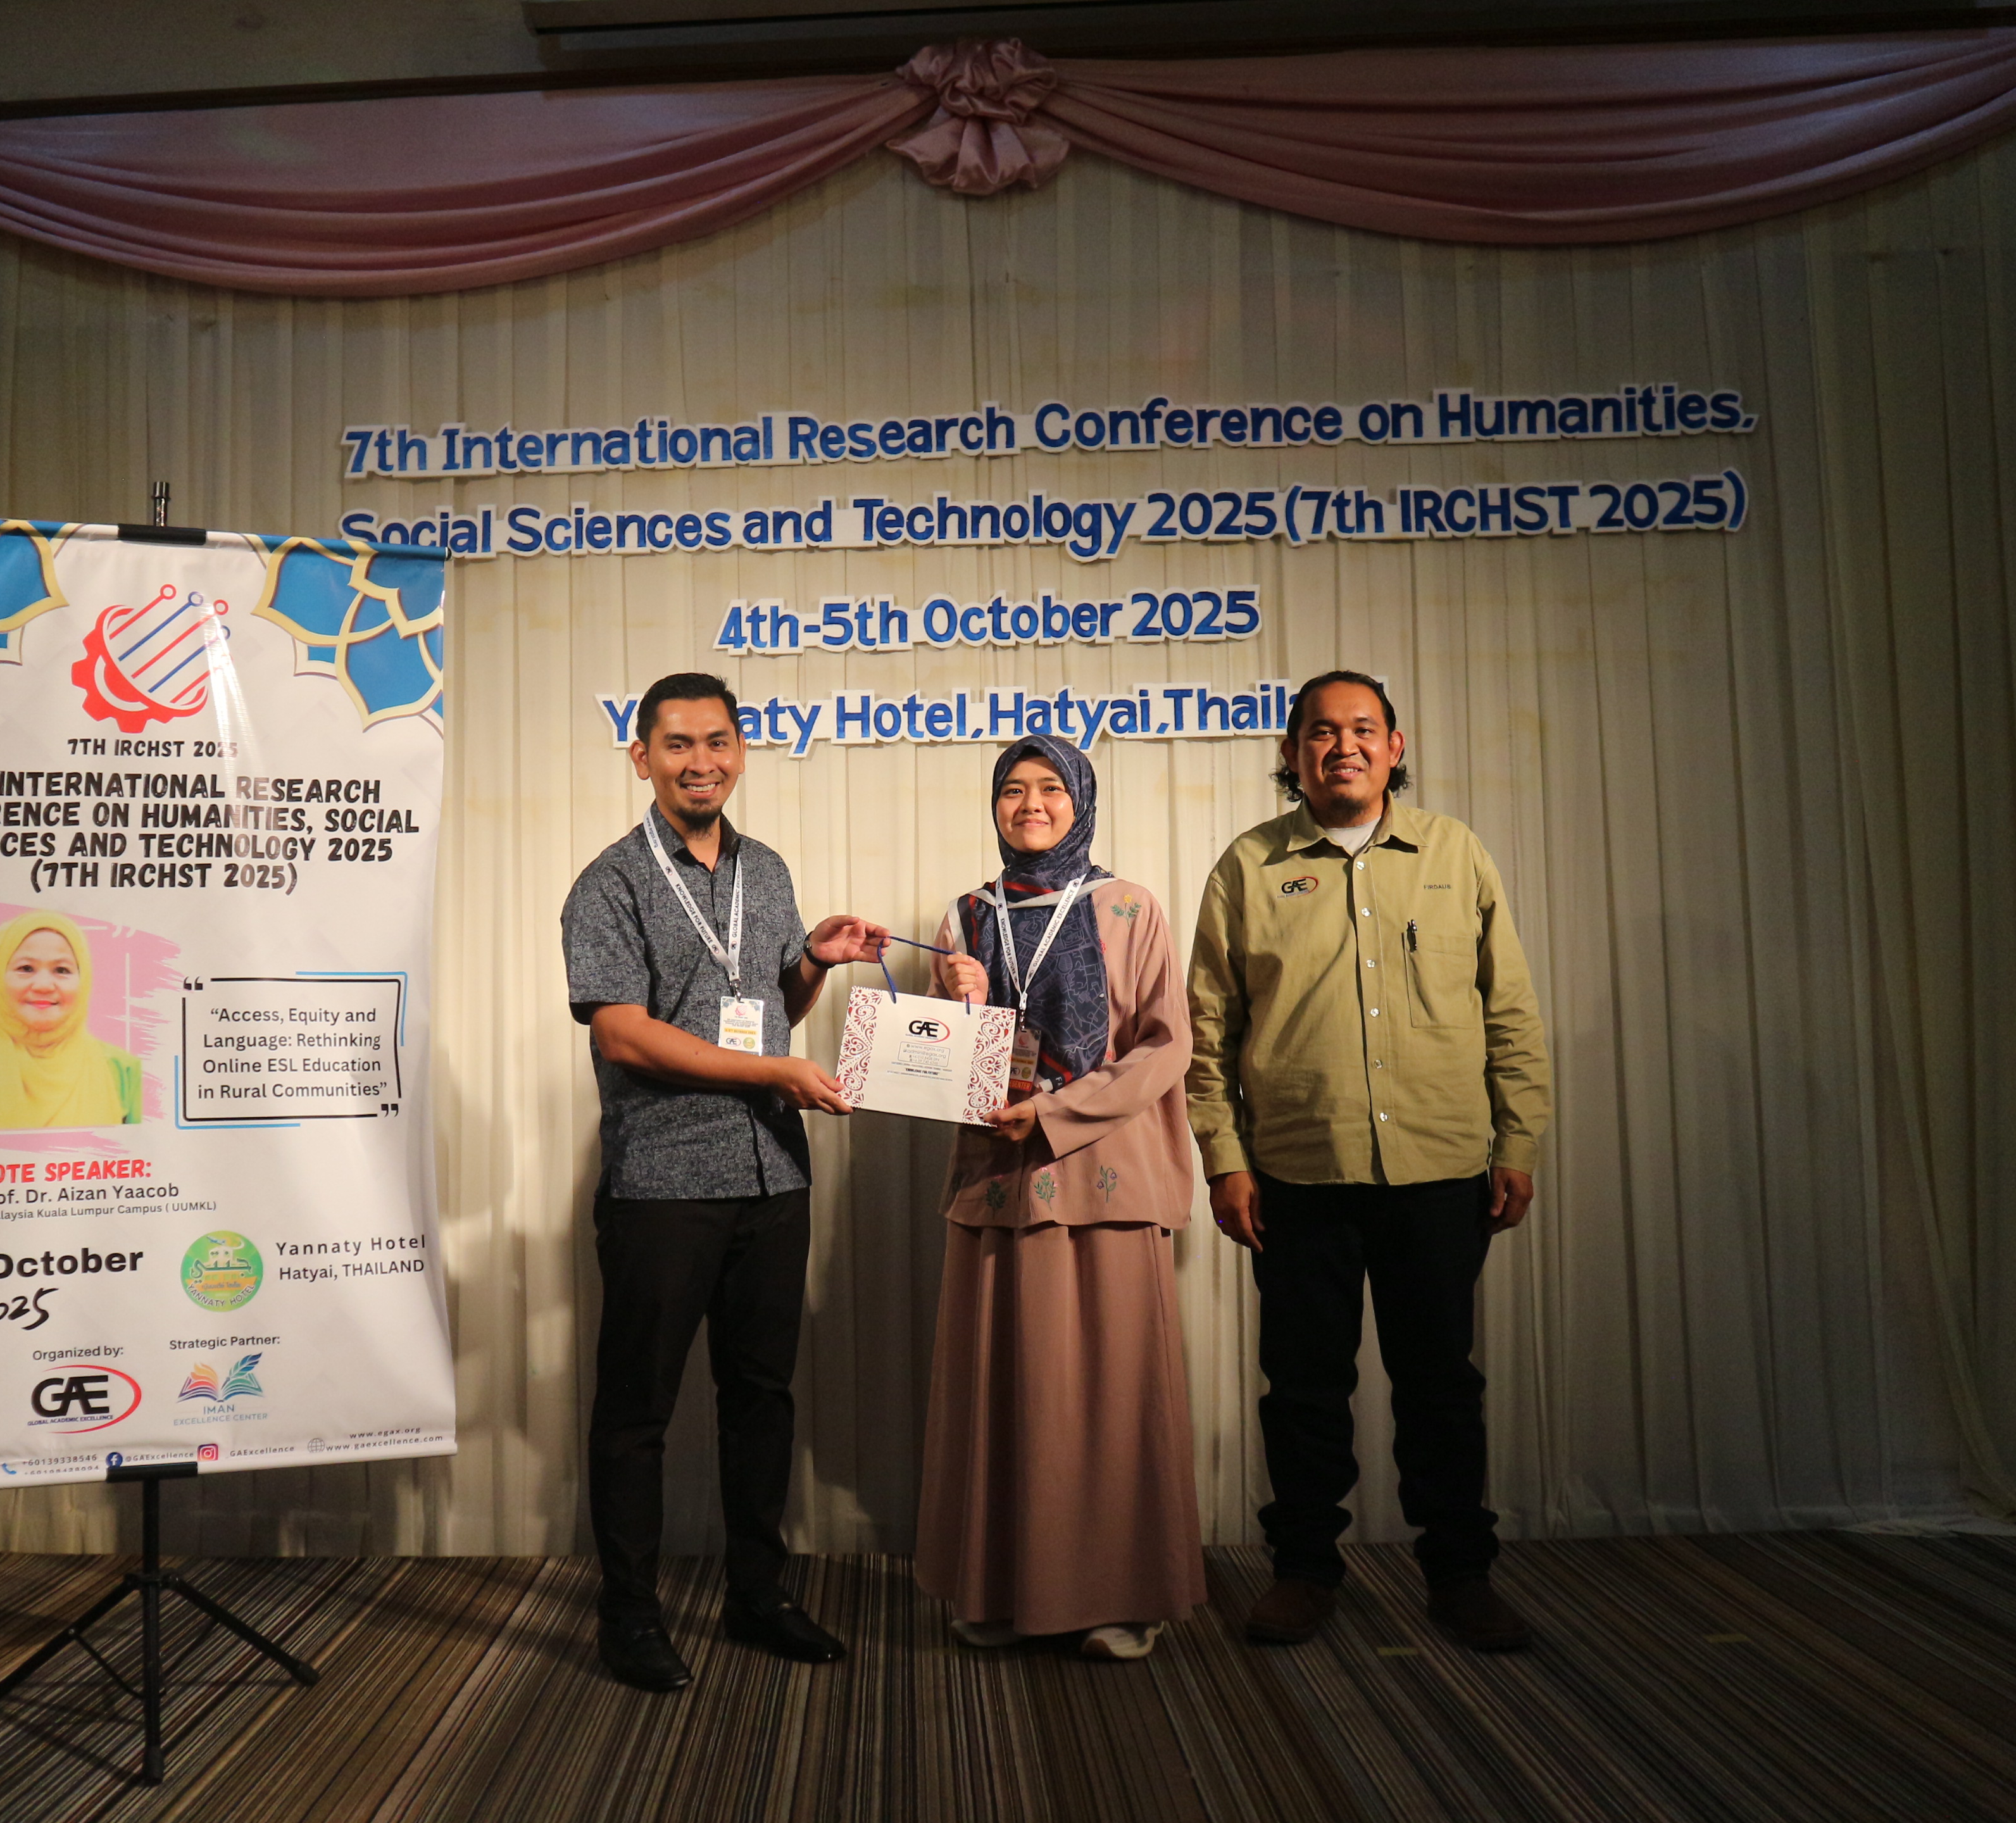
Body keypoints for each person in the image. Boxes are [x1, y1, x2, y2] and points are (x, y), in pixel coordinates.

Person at [1187, 671, 1552, 1653]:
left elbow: (1510, 1011)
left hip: (1440, 1169)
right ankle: (1304, 1571)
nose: (1341, 746)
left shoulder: (1454, 854)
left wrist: (1517, 1141)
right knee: (1303, 1390)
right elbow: (1210, 1033)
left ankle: (1461, 1576)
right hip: (1298, 1174)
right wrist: (1225, 1159)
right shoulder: (1248, 867)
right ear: (1292, 753)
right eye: (1320, 731)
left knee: (1441, 1387)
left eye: (1362, 729)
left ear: (1395, 746)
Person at [561, 672, 890, 1693]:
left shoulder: (770, 871)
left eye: (717, 742)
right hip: (663, 1183)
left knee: (761, 1399)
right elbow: (623, 1034)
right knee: (638, 1412)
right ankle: (630, 1616)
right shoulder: (609, 883)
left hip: (772, 1174)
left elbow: (773, 1008)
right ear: (642, 757)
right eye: (678, 744)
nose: (700, 762)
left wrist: (816, 964)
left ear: (741, 752)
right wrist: (775, 1073)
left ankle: (759, 1594)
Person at [917, 732, 1205, 1661]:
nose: (1031, 804)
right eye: (1013, 788)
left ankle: (1120, 1596)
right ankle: (1003, 1591)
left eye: (1050, 787)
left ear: (1081, 801)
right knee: (1007, 1395)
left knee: (1110, 1399)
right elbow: (944, 1071)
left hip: (1104, 1177)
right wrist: (955, 1001)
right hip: (998, 1185)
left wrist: (1053, 1112)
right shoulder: (967, 916)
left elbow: (1167, 1045)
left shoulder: (1130, 908)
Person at [0, 912, 140, 1131]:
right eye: (26, 969)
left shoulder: (123, 1071)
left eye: (62, 970)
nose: (43, 985)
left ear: (83, 981)